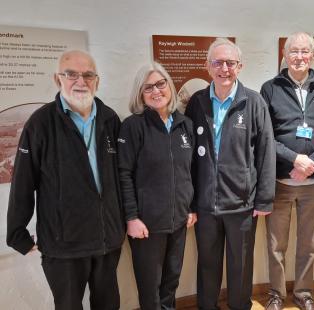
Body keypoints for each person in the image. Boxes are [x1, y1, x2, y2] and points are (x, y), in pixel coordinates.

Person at [6, 50, 124, 310]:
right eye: (71, 74)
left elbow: (122, 177)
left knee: (109, 305)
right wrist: (18, 234)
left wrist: (125, 222)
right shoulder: (40, 123)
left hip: (106, 239)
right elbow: (23, 181)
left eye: (88, 75)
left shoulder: (110, 119)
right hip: (63, 245)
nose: (80, 81)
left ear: (97, 80)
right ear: (57, 79)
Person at [185, 38, 276, 310]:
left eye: (230, 63)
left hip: (242, 205)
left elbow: (266, 151)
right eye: (217, 62)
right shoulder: (197, 103)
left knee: (241, 267)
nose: (224, 68)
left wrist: (264, 200)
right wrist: (190, 201)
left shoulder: (254, 102)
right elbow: (187, 157)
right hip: (206, 205)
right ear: (207, 66)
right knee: (207, 266)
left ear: (240, 66)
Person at [260, 32, 314, 310]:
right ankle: (275, 294)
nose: (299, 57)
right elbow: (264, 135)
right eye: (294, 51)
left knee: (308, 244)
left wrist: (313, 162)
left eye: (305, 51)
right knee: (276, 245)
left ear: (312, 55)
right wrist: (295, 159)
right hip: (279, 182)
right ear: (284, 55)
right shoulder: (270, 88)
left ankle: (304, 293)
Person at [117, 62, 196, 309]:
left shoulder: (185, 125)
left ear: (169, 86)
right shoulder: (133, 126)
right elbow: (123, 174)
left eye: (160, 84)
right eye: (147, 87)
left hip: (179, 221)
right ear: (140, 94)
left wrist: (191, 207)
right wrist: (131, 217)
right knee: (150, 287)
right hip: (146, 225)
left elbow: (190, 171)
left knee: (171, 282)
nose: (156, 91)